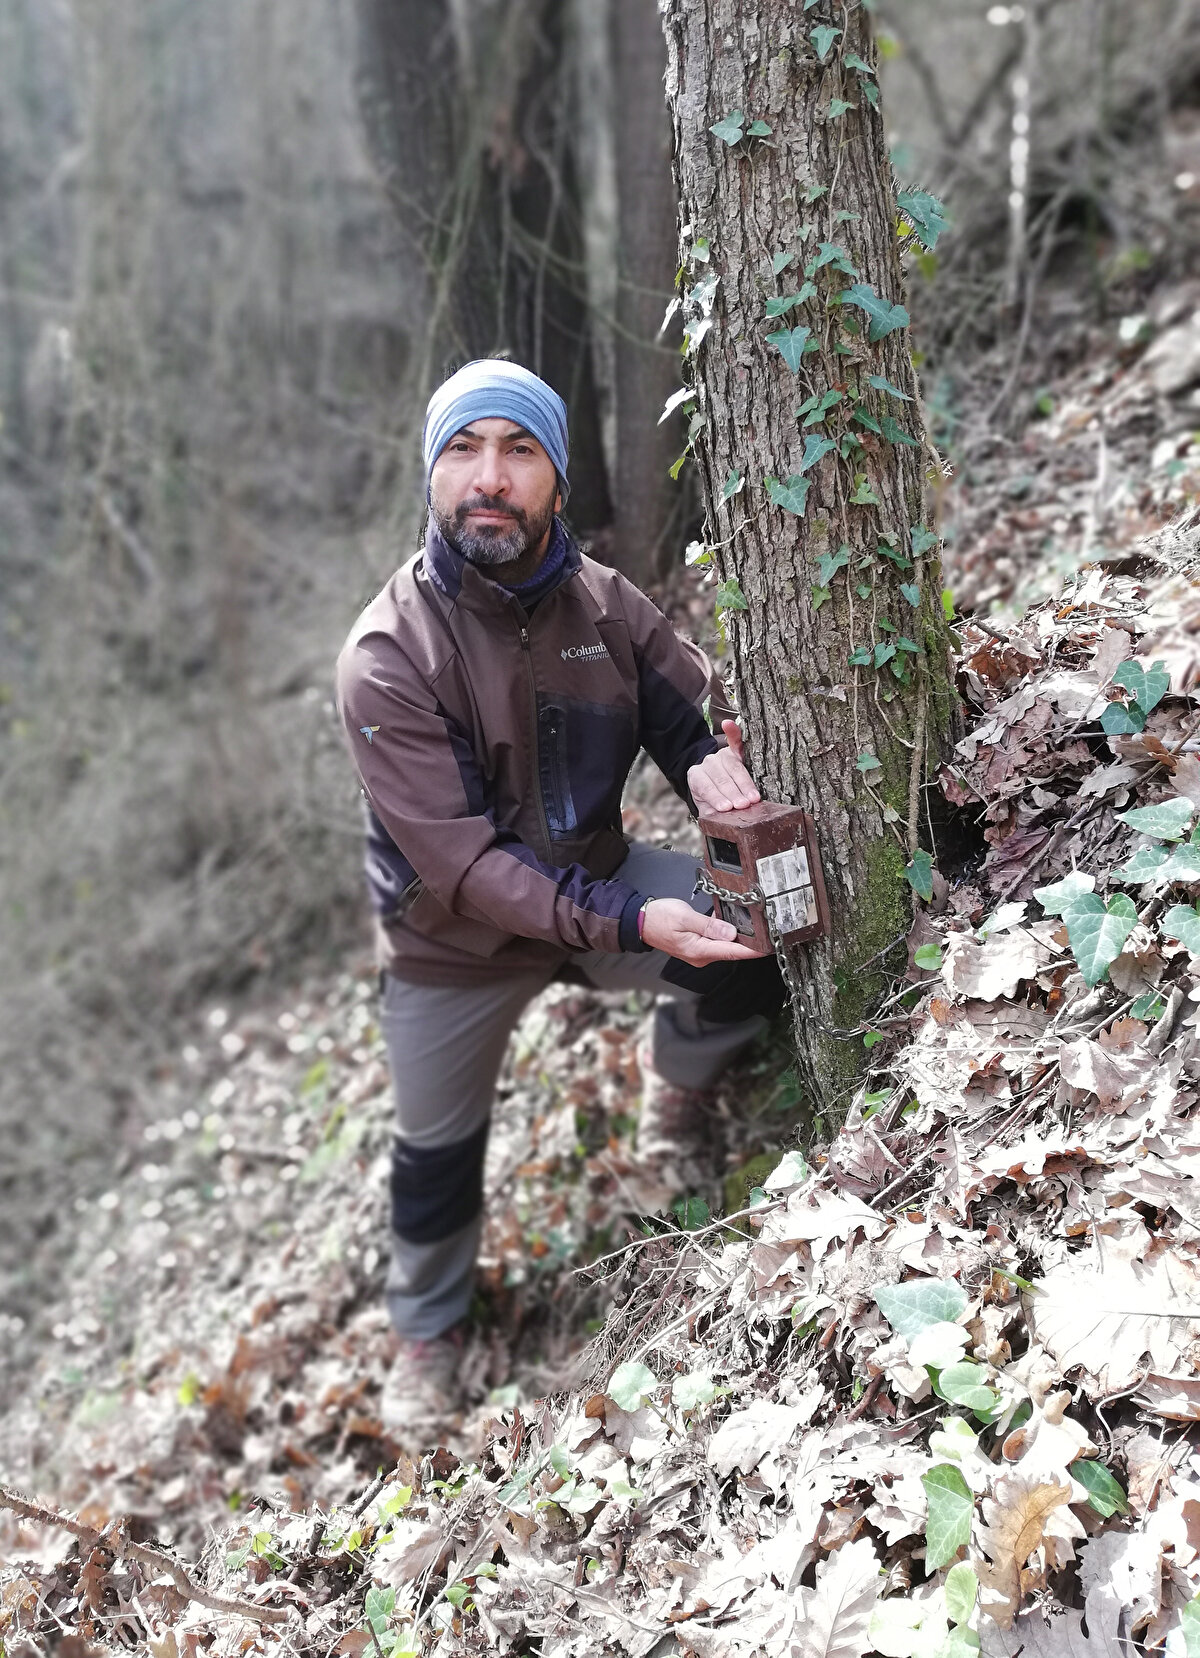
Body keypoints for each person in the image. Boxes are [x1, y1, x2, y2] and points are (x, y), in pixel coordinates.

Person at [336, 359, 783, 1437]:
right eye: (463, 450)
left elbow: (685, 714)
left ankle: (677, 1087)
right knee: (436, 1154)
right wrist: (628, 919)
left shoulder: (608, 606)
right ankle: (428, 1332)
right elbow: (466, 868)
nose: (489, 478)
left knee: (756, 936)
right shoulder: (387, 655)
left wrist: (710, 764)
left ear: (558, 479)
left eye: (519, 450)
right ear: (432, 473)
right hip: (453, 945)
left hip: (594, 882)